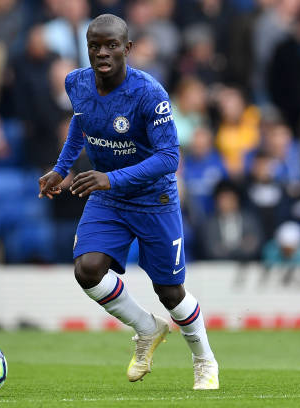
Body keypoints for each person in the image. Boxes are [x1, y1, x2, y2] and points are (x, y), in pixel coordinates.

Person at [38, 14, 218, 390]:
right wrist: (61, 168)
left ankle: (204, 359)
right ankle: (146, 328)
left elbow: (170, 158)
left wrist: (109, 177)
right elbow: (81, 123)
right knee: (87, 269)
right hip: (111, 198)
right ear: (86, 48)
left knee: (169, 292)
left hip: (155, 198)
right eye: (94, 46)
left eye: (111, 45)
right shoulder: (76, 83)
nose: (102, 52)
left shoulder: (149, 94)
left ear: (128, 49)